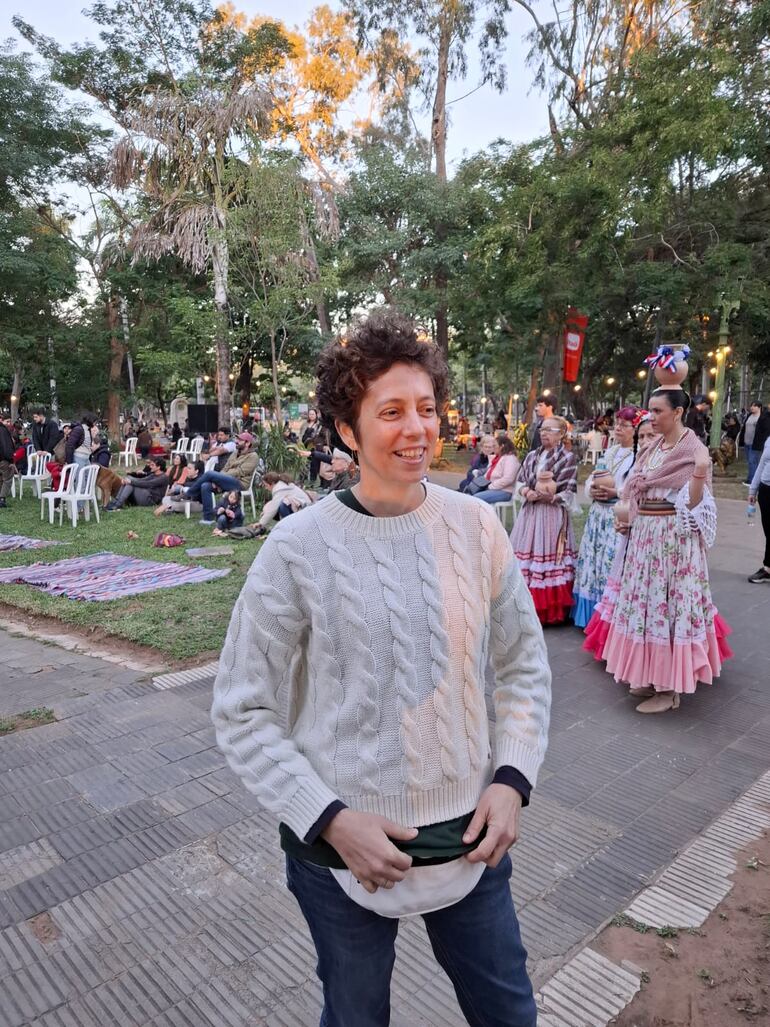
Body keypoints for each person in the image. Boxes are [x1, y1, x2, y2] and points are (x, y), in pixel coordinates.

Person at [211, 309, 550, 1027]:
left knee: (510, 1013)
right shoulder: (297, 548)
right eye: (391, 411)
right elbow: (241, 706)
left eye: (427, 408)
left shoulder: (477, 525)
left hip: (470, 838)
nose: (417, 428)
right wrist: (327, 819)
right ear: (346, 428)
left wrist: (513, 779)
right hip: (343, 855)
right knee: (356, 1015)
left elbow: (522, 662)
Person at [584, 388, 733, 713]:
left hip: (673, 542)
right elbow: (637, 486)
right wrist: (627, 515)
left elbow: (695, 502)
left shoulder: (692, 448)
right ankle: (651, 677)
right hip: (645, 539)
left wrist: (699, 470)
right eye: (650, 410)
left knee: (668, 607)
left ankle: (669, 690)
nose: (651, 416)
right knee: (647, 607)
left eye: (657, 411)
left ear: (678, 412)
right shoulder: (652, 447)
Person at [572, 407, 640, 628]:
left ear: (635, 429)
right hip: (598, 514)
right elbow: (593, 476)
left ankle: (607, 618)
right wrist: (592, 489)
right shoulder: (610, 452)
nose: (618, 428)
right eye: (617, 423)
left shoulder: (638, 456)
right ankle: (590, 617)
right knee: (593, 561)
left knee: (610, 562)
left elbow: (635, 487)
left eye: (624, 425)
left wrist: (615, 492)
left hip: (616, 514)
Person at [511, 415, 578, 625]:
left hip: (550, 515)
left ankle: (549, 611)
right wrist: (525, 491)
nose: (544, 433)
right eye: (542, 429)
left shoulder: (567, 458)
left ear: (561, 434)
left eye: (550, 430)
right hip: (531, 514)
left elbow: (569, 490)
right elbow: (519, 480)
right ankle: (522, 606)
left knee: (548, 557)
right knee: (527, 557)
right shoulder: (532, 456)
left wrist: (552, 496)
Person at [182, 432, 260, 525]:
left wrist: (220, 478)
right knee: (205, 485)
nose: (236, 441)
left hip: (240, 484)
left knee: (210, 474)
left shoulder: (253, 456)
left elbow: (240, 472)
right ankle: (208, 519)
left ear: (247, 443)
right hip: (228, 481)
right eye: (237, 439)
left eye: (240, 440)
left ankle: (189, 493)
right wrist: (219, 480)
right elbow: (225, 468)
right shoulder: (235, 453)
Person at [242, 472, 312, 535]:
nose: (266, 488)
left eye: (266, 485)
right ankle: (285, 527)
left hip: (305, 512)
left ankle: (288, 529)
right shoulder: (282, 485)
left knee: (282, 505)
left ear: (272, 483)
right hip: (303, 509)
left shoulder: (280, 489)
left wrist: (261, 523)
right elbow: (273, 505)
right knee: (274, 505)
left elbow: (273, 509)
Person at [471, 434, 521, 504]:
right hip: (494, 488)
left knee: (475, 499)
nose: (493, 448)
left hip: (504, 491)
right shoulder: (498, 458)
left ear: (502, 446)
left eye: (495, 446)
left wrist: (491, 486)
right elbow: (488, 473)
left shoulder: (510, 459)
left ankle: (484, 515)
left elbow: (508, 479)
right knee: (469, 494)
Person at [748, 432, 770, 583]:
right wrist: (753, 490)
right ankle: (768, 569)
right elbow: (762, 463)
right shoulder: (769, 439)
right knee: (769, 531)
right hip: (766, 490)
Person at [105, 458, 170, 510]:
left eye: (152, 465)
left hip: (151, 500)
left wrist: (131, 482)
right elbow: (142, 480)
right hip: (146, 494)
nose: (150, 467)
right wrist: (127, 479)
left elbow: (148, 484)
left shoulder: (163, 477)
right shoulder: (153, 474)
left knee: (130, 483)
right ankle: (115, 502)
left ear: (158, 467)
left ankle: (118, 504)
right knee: (129, 479)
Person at [739, 401, 770, 486]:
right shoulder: (749, 416)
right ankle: (752, 478)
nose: (752, 407)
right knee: (749, 461)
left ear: (759, 407)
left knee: (753, 461)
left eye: (754, 406)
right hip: (747, 442)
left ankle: (752, 480)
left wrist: (762, 442)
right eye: (751, 406)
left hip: (755, 443)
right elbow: (744, 429)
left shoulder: (763, 418)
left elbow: (766, 431)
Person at [0, 415, 15, 509]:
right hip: (3, 459)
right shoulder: (2, 430)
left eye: (10, 421)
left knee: (1, 479)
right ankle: (2, 499)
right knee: (8, 479)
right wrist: (10, 459)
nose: (9, 424)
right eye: (7, 421)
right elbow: (6, 446)